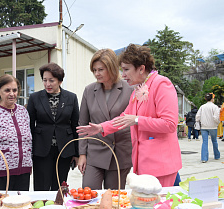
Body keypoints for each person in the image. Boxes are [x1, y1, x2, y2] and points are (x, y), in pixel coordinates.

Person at [77, 44, 182, 187]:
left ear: (141, 68)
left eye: (126, 69)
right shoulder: (138, 89)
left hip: (161, 163)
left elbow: (170, 124)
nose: (123, 74)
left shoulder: (162, 84)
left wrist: (137, 120)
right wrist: (101, 127)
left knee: (159, 207)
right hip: (143, 163)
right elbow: (123, 118)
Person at [78, 49, 133, 190]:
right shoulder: (89, 90)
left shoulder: (130, 89)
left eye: (101, 69)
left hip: (120, 153)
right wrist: (82, 155)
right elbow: (82, 124)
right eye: (94, 70)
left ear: (112, 68)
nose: (97, 74)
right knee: (88, 193)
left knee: (114, 199)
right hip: (95, 152)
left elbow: (133, 120)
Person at [27, 63, 79, 191]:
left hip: (64, 149)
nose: (47, 84)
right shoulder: (35, 98)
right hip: (41, 148)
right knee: (41, 186)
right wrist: (29, 151)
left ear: (60, 81)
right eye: (45, 80)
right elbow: (29, 126)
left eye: (51, 80)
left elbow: (75, 125)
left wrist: (77, 153)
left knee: (60, 186)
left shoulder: (71, 98)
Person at [195, 93, 220, 163]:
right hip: (213, 126)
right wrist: (217, 123)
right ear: (212, 99)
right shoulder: (215, 107)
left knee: (205, 142)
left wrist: (198, 122)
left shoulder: (202, 107)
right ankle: (217, 155)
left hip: (204, 126)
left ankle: (204, 158)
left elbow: (198, 116)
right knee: (214, 141)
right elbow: (216, 117)